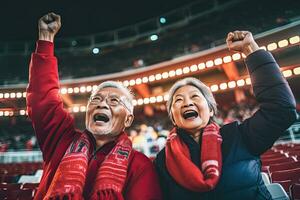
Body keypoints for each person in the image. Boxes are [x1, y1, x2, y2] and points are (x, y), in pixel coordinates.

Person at [27, 12, 162, 200]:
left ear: (129, 119)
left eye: (114, 101)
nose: (102, 104)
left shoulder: (140, 165)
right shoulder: (61, 140)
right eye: (96, 100)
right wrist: (46, 40)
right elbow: (42, 100)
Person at [154, 30, 298, 199]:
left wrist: (251, 50)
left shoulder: (239, 136)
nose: (187, 103)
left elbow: (281, 109)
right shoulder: (162, 161)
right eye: (178, 100)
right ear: (172, 117)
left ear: (211, 109)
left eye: (195, 96)